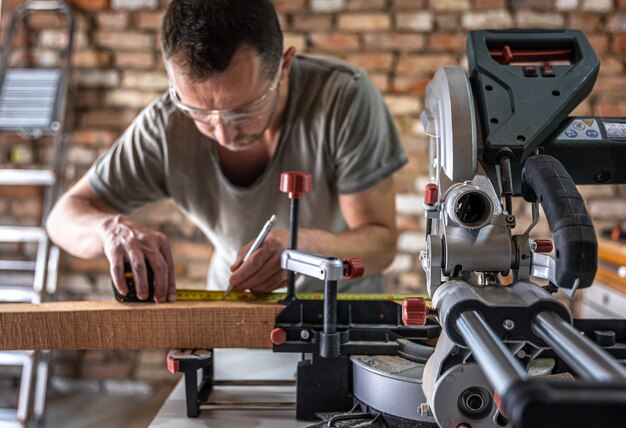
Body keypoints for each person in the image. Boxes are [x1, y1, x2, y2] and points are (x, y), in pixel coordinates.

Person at [46, 0, 407, 303]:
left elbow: (380, 241)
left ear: (283, 67)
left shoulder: (343, 99)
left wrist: (304, 248)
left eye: (242, 111)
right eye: (199, 113)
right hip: (235, 301)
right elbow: (62, 218)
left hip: (339, 305)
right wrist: (111, 229)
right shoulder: (165, 125)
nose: (221, 131)